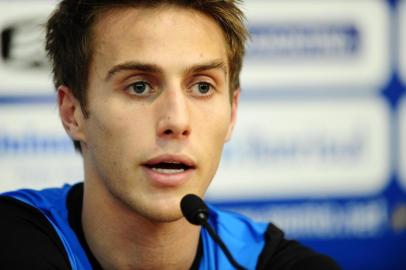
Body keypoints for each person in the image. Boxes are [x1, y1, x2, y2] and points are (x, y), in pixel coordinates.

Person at [0, 0, 340, 269]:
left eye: (203, 87)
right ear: (72, 113)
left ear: (232, 112)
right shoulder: (14, 239)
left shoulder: (270, 261)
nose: (176, 121)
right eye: (139, 86)